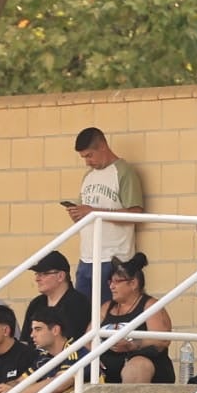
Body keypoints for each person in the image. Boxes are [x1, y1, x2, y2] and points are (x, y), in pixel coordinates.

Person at [68, 127, 145, 299]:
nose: (87, 162)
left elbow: (136, 213)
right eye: (84, 157)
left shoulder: (124, 172)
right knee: (83, 310)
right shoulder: (88, 176)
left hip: (113, 257)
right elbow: (84, 211)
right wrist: (77, 214)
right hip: (86, 258)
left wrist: (94, 212)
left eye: (89, 155)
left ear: (103, 146)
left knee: (109, 309)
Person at [97, 253, 175, 383]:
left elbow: (162, 340)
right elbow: (88, 338)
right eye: (110, 282)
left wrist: (132, 345)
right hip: (107, 369)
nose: (111, 286)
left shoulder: (150, 305)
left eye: (117, 281)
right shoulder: (106, 307)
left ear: (133, 283)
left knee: (136, 367)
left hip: (144, 365)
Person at [22, 251, 93, 361]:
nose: (37, 279)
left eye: (43, 274)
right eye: (37, 274)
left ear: (60, 276)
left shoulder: (78, 303)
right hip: (34, 363)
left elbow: (75, 343)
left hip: (66, 363)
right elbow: (25, 340)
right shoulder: (36, 303)